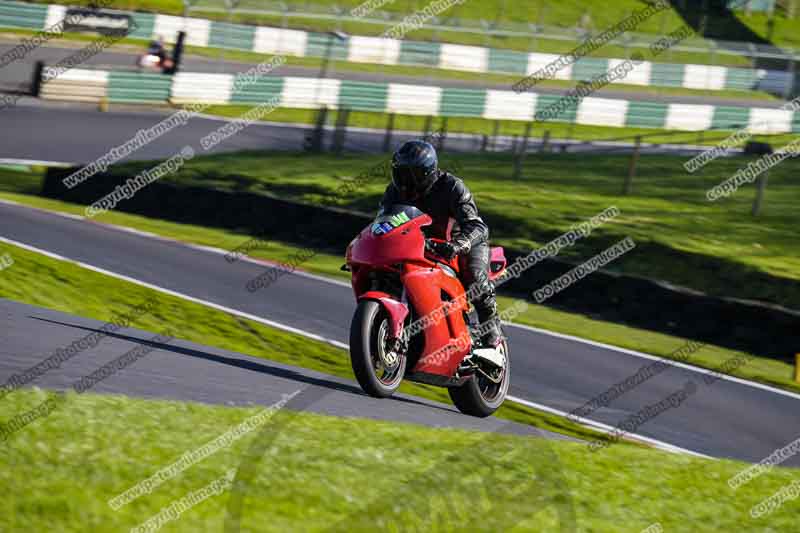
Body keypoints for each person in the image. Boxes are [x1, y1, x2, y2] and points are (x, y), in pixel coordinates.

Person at [379, 139, 503, 348]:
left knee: (474, 275)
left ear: (429, 173)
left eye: (413, 175)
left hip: (460, 245)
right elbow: (382, 221)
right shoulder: (394, 191)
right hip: (419, 246)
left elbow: (477, 226)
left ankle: (492, 327)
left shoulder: (452, 186)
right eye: (401, 174)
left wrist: (458, 244)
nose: (406, 181)